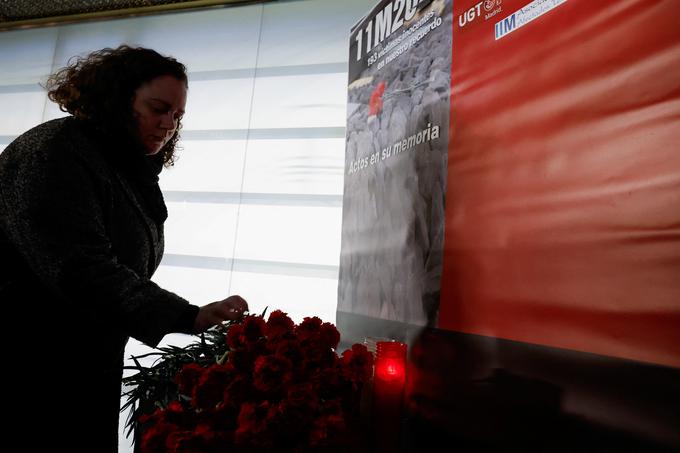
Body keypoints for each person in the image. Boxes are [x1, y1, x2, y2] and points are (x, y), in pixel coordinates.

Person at [0, 45, 248, 451]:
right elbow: (81, 269)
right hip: (31, 367)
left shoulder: (119, 165)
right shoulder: (53, 152)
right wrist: (187, 315)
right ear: (117, 99)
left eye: (177, 115)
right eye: (158, 108)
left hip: (78, 365)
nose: (168, 124)